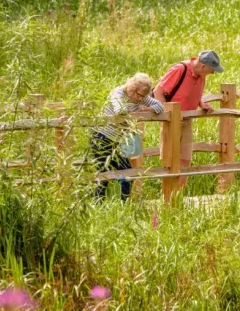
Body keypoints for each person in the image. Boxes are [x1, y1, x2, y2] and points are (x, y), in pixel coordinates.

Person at [154, 51, 224, 192]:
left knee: (185, 160)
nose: (213, 73)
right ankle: (167, 198)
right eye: (212, 70)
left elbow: (191, 92)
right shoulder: (180, 69)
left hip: (187, 120)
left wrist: (201, 103)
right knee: (170, 160)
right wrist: (168, 114)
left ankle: (178, 195)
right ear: (203, 66)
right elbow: (158, 91)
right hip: (172, 120)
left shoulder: (201, 75)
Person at [91, 73, 164, 201]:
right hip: (102, 137)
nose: (140, 98)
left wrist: (146, 109)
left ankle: (125, 204)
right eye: (138, 95)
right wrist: (136, 111)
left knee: (128, 174)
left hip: (117, 141)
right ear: (132, 88)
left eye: (143, 96)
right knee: (103, 174)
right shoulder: (118, 93)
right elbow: (120, 110)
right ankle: (98, 204)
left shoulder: (141, 98)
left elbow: (160, 106)